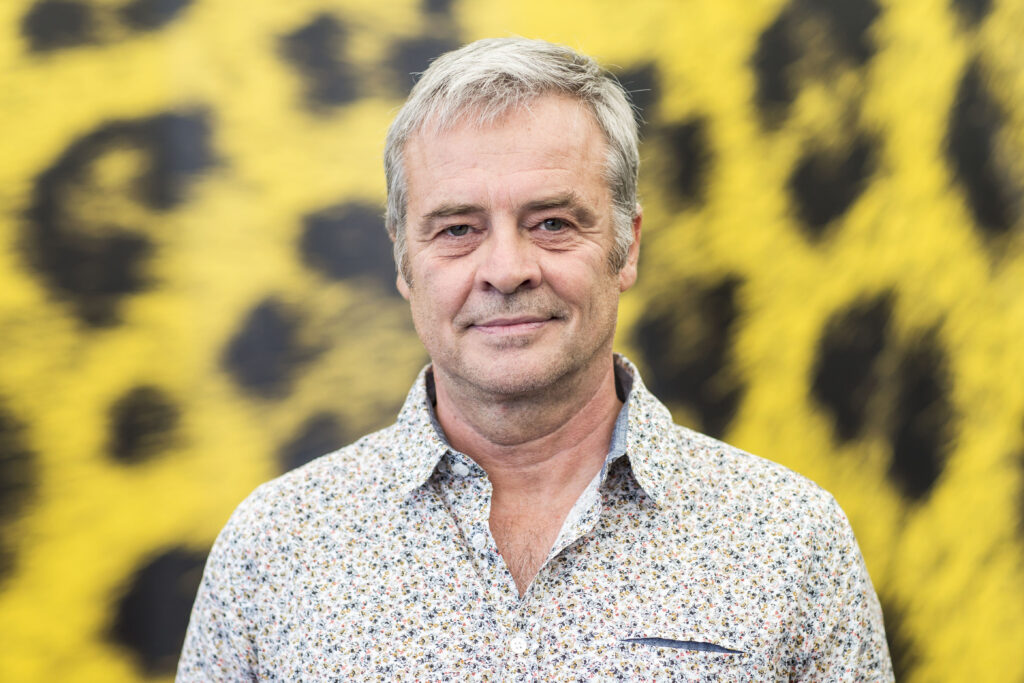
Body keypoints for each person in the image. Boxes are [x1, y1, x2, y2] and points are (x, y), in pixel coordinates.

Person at [178, 37, 893, 681]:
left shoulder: (790, 539)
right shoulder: (274, 549)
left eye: (552, 222)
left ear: (627, 246)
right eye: (457, 229)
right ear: (402, 259)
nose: (506, 269)